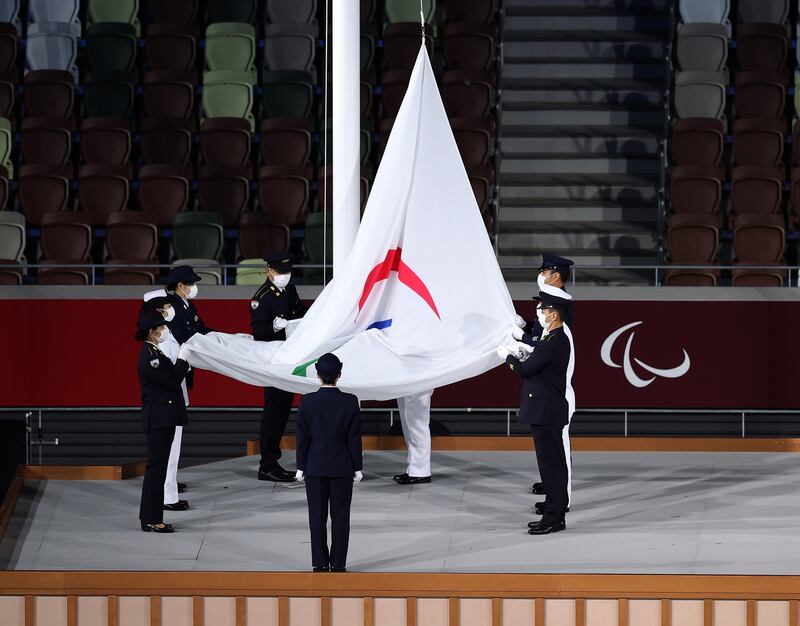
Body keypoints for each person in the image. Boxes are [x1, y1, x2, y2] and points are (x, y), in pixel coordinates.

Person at [499, 291, 572, 535]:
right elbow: (535, 357)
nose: (539, 315)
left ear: (552, 314)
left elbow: (525, 370)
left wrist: (509, 358)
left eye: (542, 311)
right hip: (546, 410)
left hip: (546, 411)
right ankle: (554, 512)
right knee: (551, 466)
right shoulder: (551, 338)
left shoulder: (555, 340)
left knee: (551, 467)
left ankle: (553, 517)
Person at [512, 253, 575, 503]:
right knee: (551, 454)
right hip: (548, 389)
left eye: (545, 271)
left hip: (557, 391)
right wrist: (525, 328)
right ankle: (554, 492)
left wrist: (520, 338)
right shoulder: (551, 303)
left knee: (559, 453)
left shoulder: (560, 305)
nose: (541, 275)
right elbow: (539, 334)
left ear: (555, 275)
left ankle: (562, 499)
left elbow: (545, 342)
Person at [294, 353, 363, 572]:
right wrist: (357, 467)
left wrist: (300, 466)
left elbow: (303, 437)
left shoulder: (307, 401)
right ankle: (339, 564)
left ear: (318, 375)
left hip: (314, 467)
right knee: (341, 517)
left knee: (317, 517)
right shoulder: (350, 401)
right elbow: (354, 438)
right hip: (342, 467)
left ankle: (320, 563)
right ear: (339, 375)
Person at [250, 253, 308, 482]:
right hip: (273, 360)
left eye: (287, 272)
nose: (285, 276)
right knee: (274, 412)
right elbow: (259, 333)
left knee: (283, 410)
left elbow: (299, 310)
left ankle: (272, 461)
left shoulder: (289, 290)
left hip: (289, 357)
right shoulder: (261, 298)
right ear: (268, 271)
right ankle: (268, 464)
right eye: (280, 272)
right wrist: (275, 327)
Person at [135, 308, 191, 533]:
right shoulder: (152, 358)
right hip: (159, 419)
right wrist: (183, 361)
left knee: (156, 470)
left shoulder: (154, 352)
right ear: (152, 332)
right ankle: (152, 518)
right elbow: (171, 381)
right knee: (156, 470)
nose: (165, 330)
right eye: (161, 327)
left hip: (162, 417)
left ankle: (148, 515)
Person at [165, 264, 214, 393]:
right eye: (191, 283)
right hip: (177, 359)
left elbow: (200, 327)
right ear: (180, 286)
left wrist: (220, 336)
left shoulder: (189, 304)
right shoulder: (172, 306)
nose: (194, 287)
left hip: (188, 358)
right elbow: (179, 336)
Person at [393, 390, 434, 485]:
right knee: (407, 420)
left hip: (419, 378)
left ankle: (421, 471)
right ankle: (413, 468)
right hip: (406, 378)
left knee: (417, 422)